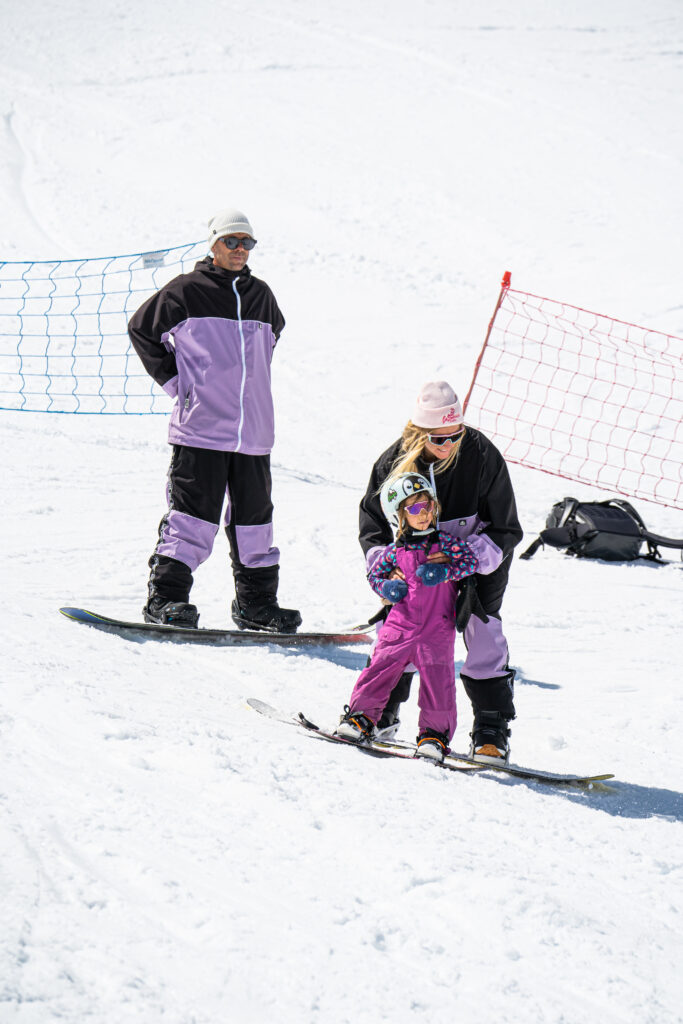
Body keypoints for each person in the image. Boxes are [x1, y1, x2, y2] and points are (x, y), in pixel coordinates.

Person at [128, 208, 301, 633]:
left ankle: (257, 606)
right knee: (191, 519)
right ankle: (166, 600)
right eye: (231, 241)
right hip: (201, 429)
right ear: (213, 243)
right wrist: (177, 384)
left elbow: (270, 339)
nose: (240, 249)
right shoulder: (186, 291)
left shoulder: (262, 295)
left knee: (256, 524)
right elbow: (141, 330)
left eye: (247, 243)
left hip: (254, 437)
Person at [358, 381, 523, 762]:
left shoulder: (481, 455)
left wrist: (464, 557)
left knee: (483, 634)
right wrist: (385, 571)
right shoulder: (393, 464)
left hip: (477, 562)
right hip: (415, 568)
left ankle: (490, 729)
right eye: (438, 438)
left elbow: (507, 527)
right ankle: (381, 711)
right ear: (418, 434)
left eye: (455, 436)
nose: (449, 446)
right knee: (397, 633)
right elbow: (371, 524)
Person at [336, 473, 479, 761]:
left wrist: (446, 570)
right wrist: (387, 586)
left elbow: (470, 561)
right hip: (399, 626)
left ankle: (433, 736)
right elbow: (374, 574)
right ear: (400, 515)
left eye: (427, 506)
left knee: (438, 682)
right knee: (378, 670)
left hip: (437, 628)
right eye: (414, 509)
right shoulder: (395, 550)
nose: (423, 514)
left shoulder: (446, 544)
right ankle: (360, 719)